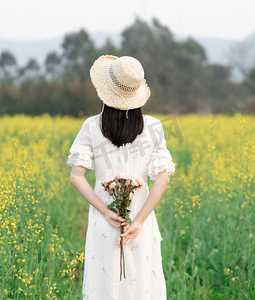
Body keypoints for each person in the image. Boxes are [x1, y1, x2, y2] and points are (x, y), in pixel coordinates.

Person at [67, 55, 175, 300]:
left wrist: (106, 211)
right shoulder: (154, 126)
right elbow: (163, 179)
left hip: (105, 219)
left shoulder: (92, 126)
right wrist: (138, 222)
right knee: (141, 284)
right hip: (141, 217)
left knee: (105, 284)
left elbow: (77, 177)